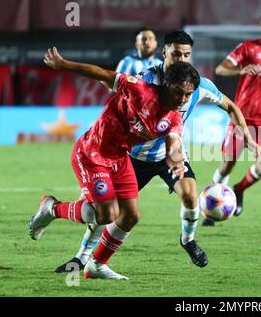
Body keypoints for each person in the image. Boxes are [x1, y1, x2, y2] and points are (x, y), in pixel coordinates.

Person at [53, 30, 261, 273]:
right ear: (164, 53)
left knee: (190, 195)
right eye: (176, 54)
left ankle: (188, 240)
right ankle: (82, 258)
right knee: (108, 212)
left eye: (186, 54)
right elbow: (111, 84)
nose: (181, 59)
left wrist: (248, 137)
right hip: (133, 155)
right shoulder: (147, 80)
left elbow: (231, 107)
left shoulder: (198, 85)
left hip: (170, 155)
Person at [29, 47, 201, 280]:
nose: (182, 100)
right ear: (167, 85)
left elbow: (173, 143)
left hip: (120, 159)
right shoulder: (139, 89)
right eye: (178, 92)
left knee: (131, 216)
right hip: (92, 152)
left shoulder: (173, 117)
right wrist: (63, 64)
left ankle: (97, 265)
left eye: (188, 95)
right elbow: (101, 73)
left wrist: (176, 161)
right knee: (107, 214)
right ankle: (52, 208)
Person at [203, 5, 261, 226]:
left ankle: (238, 190)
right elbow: (220, 69)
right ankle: (209, 206)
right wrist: (240, 70)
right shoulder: (247, 48)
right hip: (241, 117)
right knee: (227, 165)